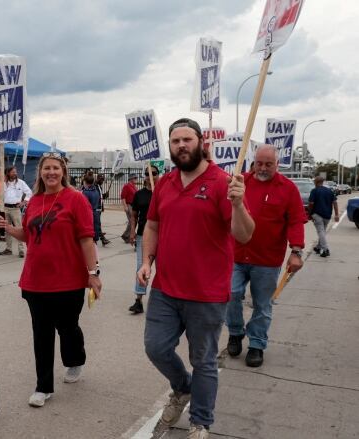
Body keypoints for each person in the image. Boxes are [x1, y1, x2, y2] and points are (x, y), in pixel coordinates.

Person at [137, 118, 254, 438]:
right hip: (166, 288)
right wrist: (147, 260)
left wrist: (239, 204)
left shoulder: (222, 182)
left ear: (201, 142)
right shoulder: (165, 182)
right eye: (175, 141)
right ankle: (183, 388)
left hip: (207, 292)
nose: (181, 146)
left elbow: (243, 235)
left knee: (202, 360)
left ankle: (201, 421)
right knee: (155, 348)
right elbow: (153, 226)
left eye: (187, 139)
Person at [0, 152, 102, 408]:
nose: (51, 173)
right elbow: (30, 235)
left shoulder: (75, 200)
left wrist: (93, 273)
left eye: (56, 168)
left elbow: (86, 239)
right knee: (41, 334)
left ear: (63, 172)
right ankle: (43, 387)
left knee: (67, 328)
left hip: (69, 280)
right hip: (35, 281)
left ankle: (75, 360)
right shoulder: (33, 202)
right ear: (40, 173)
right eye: (47, 169)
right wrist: (9, 229)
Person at [226, 145, 306, 367]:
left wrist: (296, 251)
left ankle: (256, 344)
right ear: (254, 161)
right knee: (230, 294)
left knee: (263, 305)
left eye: (268, 164)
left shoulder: (288, 189)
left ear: (277, 164)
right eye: (259, 163)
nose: (262, 168)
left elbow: (296, 221)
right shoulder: (240, 185)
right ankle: (235, 332)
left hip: (267, 260)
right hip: (236, 255)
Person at [128, 168, 158, 314]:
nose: (150, 176)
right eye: (147, 174)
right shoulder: (139, 195)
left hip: (163, 236)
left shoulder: (163, 192)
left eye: (153, 173)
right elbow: (133, 215)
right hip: (143, 236)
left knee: (165, 268)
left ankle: (165, 301)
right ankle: (138, 300)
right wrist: (132, 231)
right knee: (142, 266)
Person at [2, 166, 32, 257]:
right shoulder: (3, 183)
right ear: (8, 173)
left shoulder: (21, 183)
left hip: (15, 209)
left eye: (15, 172)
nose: (15, 173)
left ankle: (21, 250)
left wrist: (24, 202)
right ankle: (8, 249)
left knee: (20, 229)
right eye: (13, 172)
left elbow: (29, 192)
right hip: (5, 208)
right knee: (7, 229)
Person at [308, 175, 339, 257]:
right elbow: (335, 202)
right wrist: (336, 214)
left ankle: (325, 249)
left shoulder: (314, 191)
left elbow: (311, 204)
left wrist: (309, 214)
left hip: (317, 214)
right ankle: (318, 247)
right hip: (327, 215)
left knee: (321, 232)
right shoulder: (329, 191)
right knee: (322, 231)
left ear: (316, 182)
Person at [80, 171, 109, 247]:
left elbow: (99, 198)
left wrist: (104, 196)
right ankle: (100, 238)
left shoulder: (90, 190)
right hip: (94, 210)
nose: (102, 181)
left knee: (96, 224)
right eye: (101, 179)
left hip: (94, 210)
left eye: (103, 179)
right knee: (96, 225)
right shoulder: (94, 189)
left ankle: (99, 237)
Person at [120, 174, 138, 243]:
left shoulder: (134, 186)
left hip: (133, 205)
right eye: (135, 178)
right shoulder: (126, 186)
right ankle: (126, 235)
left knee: (133, 221)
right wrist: (125, 206)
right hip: (129, 205)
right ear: (131, 179)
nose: (136, 179)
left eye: (136, 178)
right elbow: (123, 197)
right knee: (131, 221)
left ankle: (128, 235)